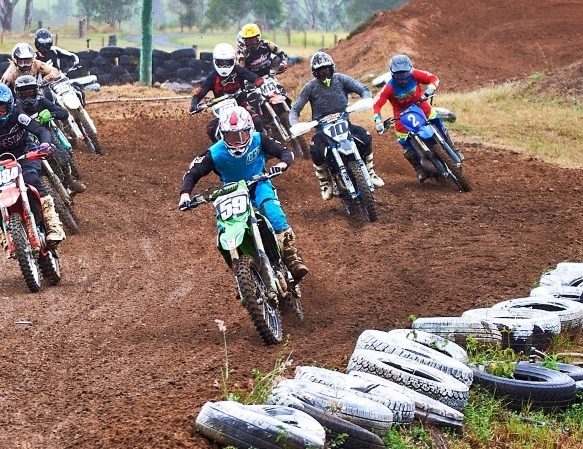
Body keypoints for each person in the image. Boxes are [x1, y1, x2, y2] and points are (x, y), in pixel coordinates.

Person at [177, 105, 307, 282]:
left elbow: (285, 152)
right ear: (222, 135)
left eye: (242, 135)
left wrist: (281, 165)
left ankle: (292, 257)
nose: (237, 142)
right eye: (231, 137)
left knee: (272, 211)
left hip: (258, 183)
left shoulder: (259, 139)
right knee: (226, 229)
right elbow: (193, 173)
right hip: (231, 192)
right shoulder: (215, 153)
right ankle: (243, 273)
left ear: (249, 130)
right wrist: (185, 195)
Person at [0, 83, 66, 244]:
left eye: (2, 108)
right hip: (1, 157)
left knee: (31, 178)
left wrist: (45, 145)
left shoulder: (18, 115)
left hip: (25, 150)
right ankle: (7, 233)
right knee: (0, 190)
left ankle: (53, 225)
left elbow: (40, 130)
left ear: (10, 106)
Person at [289, 51, 384, 200]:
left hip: (344, 122)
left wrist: (366, 100)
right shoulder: (310, 87)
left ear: (332, 68)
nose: (324, 73)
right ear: (315, 73)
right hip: (322, 127)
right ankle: (325, 182)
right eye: (320, 71)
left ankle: (370, 172)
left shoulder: (341, 79)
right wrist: (294, 124)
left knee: (365, 136)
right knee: (314, 148)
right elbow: (295, 109)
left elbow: (364, 89)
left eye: (326, 69)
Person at [373, 54, 445, 181]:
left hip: (420, 105)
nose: (402, 78)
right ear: (392, 73)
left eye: (405, 73)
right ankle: (419, 168)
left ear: (410, 69)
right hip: (401, 115)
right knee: (405, 142)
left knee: (436, 120)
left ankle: (451, 146)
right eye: (398, 74)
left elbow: (434, 78)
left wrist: (430, 89)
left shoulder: (416, 74)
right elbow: (377, 103)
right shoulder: (389, 87)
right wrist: (378, 120)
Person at [13, 73, 83, 193]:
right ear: (18, 94)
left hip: (48, 133)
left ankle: (70, 179)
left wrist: (52, 114)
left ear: (36, 92)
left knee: (62, 153)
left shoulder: (42, 102)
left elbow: (64, 113)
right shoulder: (15, 109)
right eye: (24, 94)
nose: (28, 98)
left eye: (31, 93)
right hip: (27, 140)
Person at [190, 42, 264, 141]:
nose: (224, 65)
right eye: (221, 63)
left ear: (233, 61)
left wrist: (255, 83)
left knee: (257, 121)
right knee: (210, 129)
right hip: (223, 111)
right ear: (215, 62)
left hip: (242, 105)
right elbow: (198, 95)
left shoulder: (238, 70)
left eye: (227, 62)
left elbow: (255, 78)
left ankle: (263, 144)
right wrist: (194, 105)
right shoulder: (212, 77)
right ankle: (219, 151)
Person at [0, 41, 64, 87]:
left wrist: (49, 77)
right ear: (15, 60)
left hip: (36, 93)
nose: (25, 65)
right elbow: (0, 88)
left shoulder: (36, 64)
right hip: (19, 98)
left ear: (32, 59)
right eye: (21, 61)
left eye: (28, 61)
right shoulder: (10, 74)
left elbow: (55, 71)